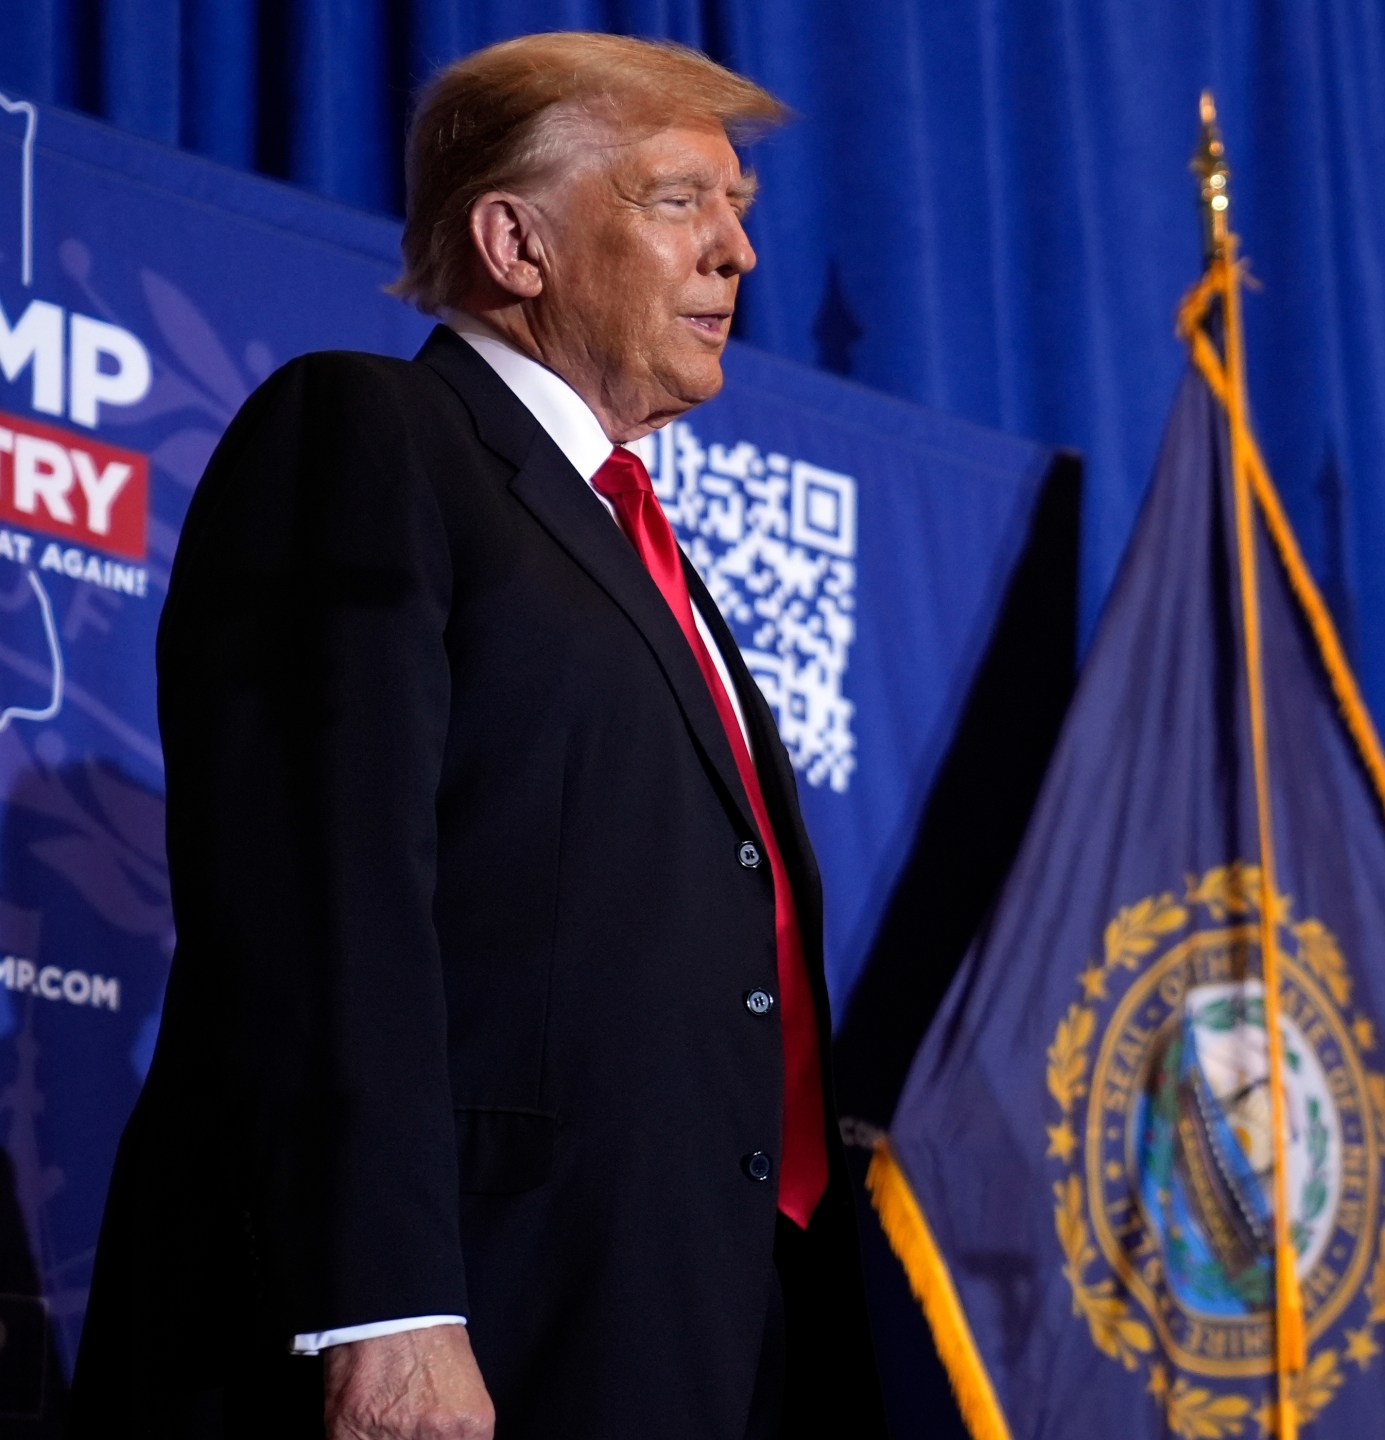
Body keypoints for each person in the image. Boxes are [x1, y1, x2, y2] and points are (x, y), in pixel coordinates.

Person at [70, 33, 882, 1440]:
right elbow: (319, 897)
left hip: (689, 1325)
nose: (738, 251)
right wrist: (382, 1304)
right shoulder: (370, 434)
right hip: (478, 1316)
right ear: (517, 243)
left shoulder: (646, 558)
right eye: (679, 200)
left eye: (740, 206)